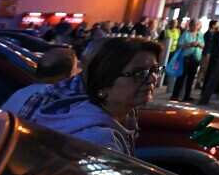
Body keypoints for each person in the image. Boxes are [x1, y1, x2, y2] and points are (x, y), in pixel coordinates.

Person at [25, 37, 163, 154]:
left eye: (154, 70)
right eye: (139, 73)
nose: (153, 78)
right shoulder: (97, 139)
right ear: (104, 84)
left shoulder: (126, 113)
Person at [1, 46, 79, 113]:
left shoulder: (22, 92)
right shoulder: (47, 98)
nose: (75, 74)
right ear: (66, 75)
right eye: (75, 69)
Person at [171, 19, 204, 102]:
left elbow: (203, 45)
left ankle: (187, 96)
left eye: (197, 25)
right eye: (193, 24)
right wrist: (190, 44)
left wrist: (199, 45)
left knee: (191, 78)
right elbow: (180, 45)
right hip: (186, 57)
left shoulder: (200, 35)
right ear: (190, 25)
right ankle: (175, 95)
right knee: (181, 77)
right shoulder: (186, 34)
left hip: (196, 58)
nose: (195, 26)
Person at [198, 20, 219, 105]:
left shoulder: (215, 34)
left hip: (212, 56)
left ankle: (205, 92)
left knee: (208, 74)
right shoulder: (215, 34)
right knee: (209, 74)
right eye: (217, 25)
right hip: (213, 57)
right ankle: (207, 92)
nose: (218, 26)